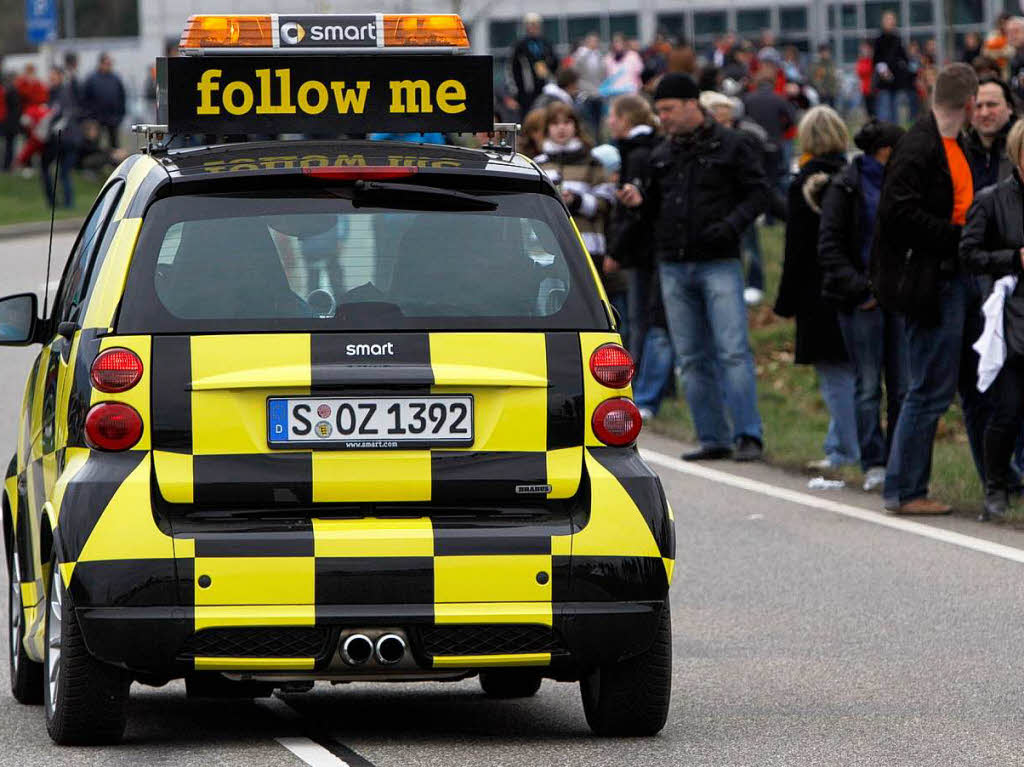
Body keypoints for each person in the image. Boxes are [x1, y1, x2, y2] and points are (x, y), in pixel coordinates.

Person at [618, 73, 769, 462]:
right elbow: (653, 210)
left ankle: (748, 434)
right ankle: (713, 436)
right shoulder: (662, 154)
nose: (662, 117)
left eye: (668, 109)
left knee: (732, 350)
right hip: (672, 264)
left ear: (692, 104)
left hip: (718, 261)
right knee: (691, 356)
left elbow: (758, 193)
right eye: (659, 111)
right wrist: (639, 202)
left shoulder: (732, 145)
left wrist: (730, 228)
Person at [872, 63, 980, 514]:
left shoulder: (951, 142)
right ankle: (906, 490)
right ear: (970, 103)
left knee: (939, 387)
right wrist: (959, 237)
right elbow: (898, 216)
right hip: (929, 283)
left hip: (950, 275)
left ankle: (907, 486)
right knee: (928, 390)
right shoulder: (919, 146)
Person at [819, 119, 907, 491]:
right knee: (868, 385)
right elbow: (830, 246)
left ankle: (901, 460)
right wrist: (861, 289)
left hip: (900, 299)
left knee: (903, 387)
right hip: (862, 301)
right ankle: (873, 460)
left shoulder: (903, 184)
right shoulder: (847, 185)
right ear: (884, 151)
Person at [774, 106, 859, 470]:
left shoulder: (803, 185)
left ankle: (845, 450)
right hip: (854, 284)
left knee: (834, 375)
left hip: (815, 289)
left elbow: (796, 247)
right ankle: (842, 441)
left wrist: (785, 299)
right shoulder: (856, 178)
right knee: (857, 374)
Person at [960, 119, 1024, 520]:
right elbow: (968, 254)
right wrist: (1013, 259)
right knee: (1007, 409)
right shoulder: (991, 200)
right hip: (1012, 318)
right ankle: (995, 488)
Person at [533, 102, 621, 330]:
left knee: (590, 309)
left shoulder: (592, 162)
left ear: (576, 126)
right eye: (555, 124)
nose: (561, 129)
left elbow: (606, 202)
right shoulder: (539, 164)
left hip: (588, 246)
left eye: (567, 122)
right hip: (548, 249)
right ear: (547, 128)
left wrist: (578, 201)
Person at [606, 94, 660, 358]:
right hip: (646, 246)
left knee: (640, 319)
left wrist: (616, 251)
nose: (609, 121)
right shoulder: (641, 149)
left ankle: (640, 375)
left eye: (613, 116)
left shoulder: (637, 154)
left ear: (625, 120)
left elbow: (632, 212)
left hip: (642, 249)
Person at [743, 63, 796, 195]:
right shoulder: (779, 99)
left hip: (753, 146)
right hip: (775, 143)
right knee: (778, 180)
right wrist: (782, 130)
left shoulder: (748, 99)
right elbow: (792, 119)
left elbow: (742, 121)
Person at [510, 13, 558, 119]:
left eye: (536, 25)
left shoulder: (545, 43)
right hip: (526, 89)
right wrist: (515, 91)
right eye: (531, 25)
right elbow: (513, 69)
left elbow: (555, 62)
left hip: (545, 86)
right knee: (528, 116)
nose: (533, 28)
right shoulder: (520, 45)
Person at [873, 11, 910, 124]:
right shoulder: (879, 40)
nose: (890, 22)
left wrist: (900, 68)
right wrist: (883, 71)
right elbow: (876, 59)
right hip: (884, 82)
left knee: (895, 113)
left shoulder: (898, 40)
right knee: (884, 111)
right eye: (887, 19)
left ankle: (894, 136)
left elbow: (904, 59)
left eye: (891, 19)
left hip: (896, 82)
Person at [83, 52, 125, 149]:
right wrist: (89, 115)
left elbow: (122, 97)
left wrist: (120, 115)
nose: (108, 66)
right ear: (100, 64)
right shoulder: (92, 79)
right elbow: (85, 98)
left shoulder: (115, 79)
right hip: (96, 118)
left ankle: (115, 162)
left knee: (114, 143)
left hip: (113, 118)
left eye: (109, 64)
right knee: (95, 143)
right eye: (106, 63)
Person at [603, 33, 644, 97]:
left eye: (620, 42)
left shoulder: (633, 56)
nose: (617, 44)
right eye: (615, 42)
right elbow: (606, 75)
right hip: (613, 93)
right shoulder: (608, 58)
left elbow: (639, 72)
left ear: (625, 43)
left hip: (631, 93)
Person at [856, 40, 876, 117]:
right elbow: (860, 72)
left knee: (875, 109)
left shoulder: (873, 60)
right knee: (869, 110)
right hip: (866, 89)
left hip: (874, 89)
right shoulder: (862, 61)